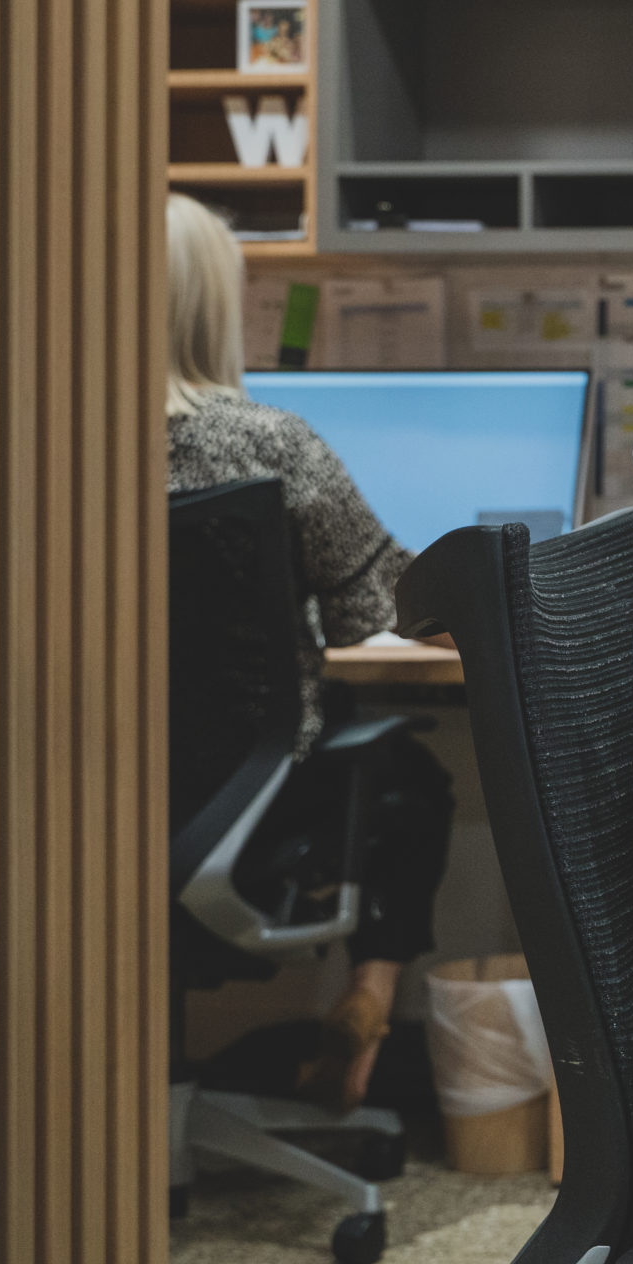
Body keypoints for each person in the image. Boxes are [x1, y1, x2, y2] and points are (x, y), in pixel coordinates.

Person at [164, 193, 454, 1110]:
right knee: (412, 778)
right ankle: (367, 1001)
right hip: (240, 818)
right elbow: (384, 604)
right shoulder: (270, 444)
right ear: (215, 305)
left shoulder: (40, 448)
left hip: (71, 816)